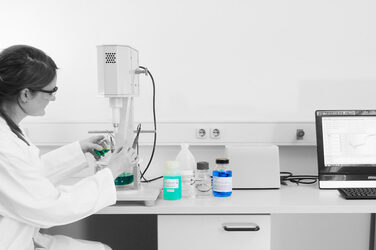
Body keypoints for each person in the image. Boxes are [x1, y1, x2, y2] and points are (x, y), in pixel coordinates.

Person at [0, 45, 137, 250]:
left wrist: (78, 151)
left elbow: (29, 175)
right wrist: (113, 170)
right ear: (25, 95)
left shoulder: (10, 131)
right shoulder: (4, 146)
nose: (53, 97)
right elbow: (51, 207)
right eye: (51, 91)